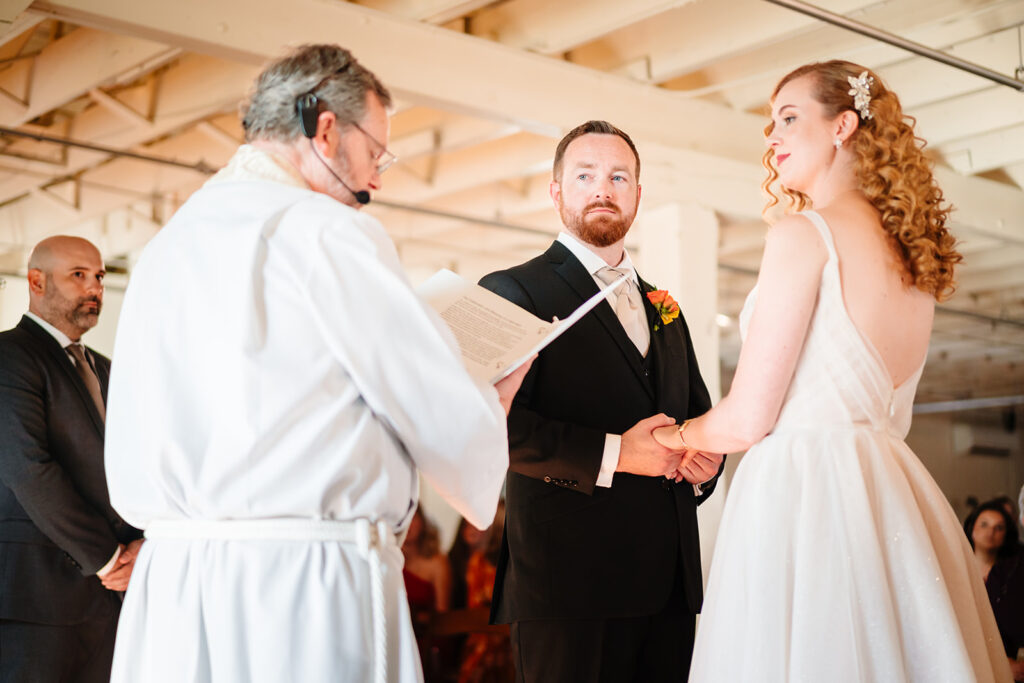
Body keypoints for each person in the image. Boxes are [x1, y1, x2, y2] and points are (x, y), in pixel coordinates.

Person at [103, 44, 529, 683]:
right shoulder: (325, 230)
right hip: (301, 586)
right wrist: (490, 402)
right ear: (326, 131)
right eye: (376, 153)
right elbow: (444, 417)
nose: (377, 180)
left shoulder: (167, 246)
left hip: (176, 588)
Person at [652, 60, 1012, 682]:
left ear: (843, 126)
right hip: (887, 489)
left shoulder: (804, 234)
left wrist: (673, 435)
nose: (771, 136)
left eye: (789, 118)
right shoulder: (913, 260)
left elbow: (749, 418)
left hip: (804, 494)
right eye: (771, 122)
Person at [479, 120, 723, 682]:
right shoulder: (513, 290)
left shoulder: (667, 309)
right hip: (568, 587)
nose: (603, 190)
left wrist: (707, 464)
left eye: (618, 177)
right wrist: (618, 453)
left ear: (637, 194)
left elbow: (698, 416)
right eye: (585, 176)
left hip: (669, 587)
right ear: (556, 191)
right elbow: (489, 428)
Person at [0, 236, 143, 682]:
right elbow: (28, 469)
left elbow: (134, 465)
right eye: (78, 275)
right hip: (36, 600)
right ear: (37, 281)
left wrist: (142, 545)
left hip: (109, 601)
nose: (94, 287)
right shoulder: (9, 356)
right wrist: (109, 559)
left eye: (99, 276)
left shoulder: (106, 369)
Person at [966, 500, 1024, 681]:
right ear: (972, 528)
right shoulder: (957, 569)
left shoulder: (1011, 574)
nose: (990, 532)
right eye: (984, 524)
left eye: (999, 528)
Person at [402, 506, 452, 613]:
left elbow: (442, 611)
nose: (407, 524)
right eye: (401, 518)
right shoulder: (387, 560)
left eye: (412, 517)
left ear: (422, 522)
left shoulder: (438, 563)